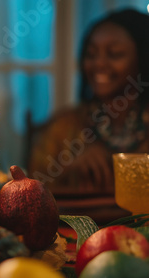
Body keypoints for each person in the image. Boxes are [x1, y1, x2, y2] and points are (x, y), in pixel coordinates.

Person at [29, 9, 149, 195]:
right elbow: (28, 193)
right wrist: (69, 169)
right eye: (91, 54)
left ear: (142, 59)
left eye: (114, 54)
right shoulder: (62, 128)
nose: (98, 64)